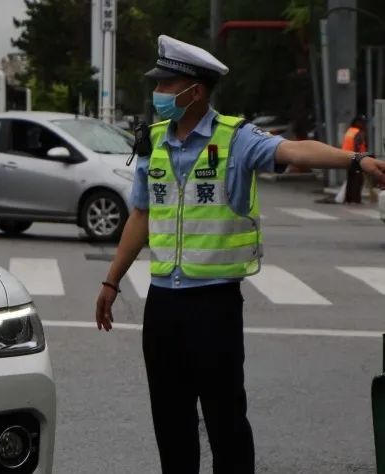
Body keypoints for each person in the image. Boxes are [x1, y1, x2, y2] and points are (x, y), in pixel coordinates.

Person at [94, 35, 385, 474]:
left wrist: (356, 160)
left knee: (225, 421)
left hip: (213, 305)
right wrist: (112, 281)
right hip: (163, 305)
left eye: (168, 85)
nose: (160, 93)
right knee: (170, 422)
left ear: (196, 90)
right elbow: (141, 214)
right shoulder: (154, 140)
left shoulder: (238, 138)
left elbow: (294, 150)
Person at [341, 116, 368, 204]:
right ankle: (356, 200)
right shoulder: (358, 132)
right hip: (355, 158)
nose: (364, 125)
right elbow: (358, 146)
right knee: (358, 180)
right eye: (363, 123)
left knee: (350, 179)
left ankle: (348, 199)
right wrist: (360, 159)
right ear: (358, 123)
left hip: (346, 157)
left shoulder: (349, 131)